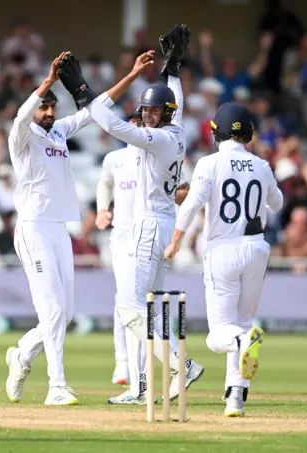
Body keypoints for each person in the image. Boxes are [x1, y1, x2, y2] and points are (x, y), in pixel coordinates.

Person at [57, 25, 204, 405]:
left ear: (165, 115)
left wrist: (81, 93)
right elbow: (179, 102)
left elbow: (113, 125)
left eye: (156, 111)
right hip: (158, 225)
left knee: (129, 306)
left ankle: (181, 364)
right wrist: (173, 68)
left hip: (147, 226)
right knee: (148, 307)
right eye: (147, 110)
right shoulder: (177, 128)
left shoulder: (159, 139)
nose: (149, 116)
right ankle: (141, 388)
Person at [4, 51, 121, 406]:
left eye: (53, 108)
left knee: (64, 315)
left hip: (59, 230)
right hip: (33, 228)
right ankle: (57, 386)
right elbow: (23, 115)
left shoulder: (58, 133)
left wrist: (130, 75)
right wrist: (48, 81)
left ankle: (22, 354)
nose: (50, 113)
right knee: (53, 312)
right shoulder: (21, 138)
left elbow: (92, 111)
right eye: (45, 107)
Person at [164, 102, 284, 417]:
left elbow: (190, 206)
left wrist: (175, 242)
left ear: (216, 132)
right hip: (257, 248)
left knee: (219, 336)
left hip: (223, 249)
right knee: (241, 324)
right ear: (249, 134)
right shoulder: (261, 165)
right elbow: (277, 202)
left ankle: (245, 341)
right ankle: (235, 398)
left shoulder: (209, 163)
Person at [96, 111, 190, 388]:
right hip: (124, 235)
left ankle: (149, 374)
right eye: (135, 121)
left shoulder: (158, 154)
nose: (140, 125)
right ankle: (124, 363)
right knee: (126, 301)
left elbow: (182, 189)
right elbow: (104, 182)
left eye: (143, 121)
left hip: (149, 232)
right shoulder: (115, 159)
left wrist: (180, 201)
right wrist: (103, 209)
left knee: (142, 302)